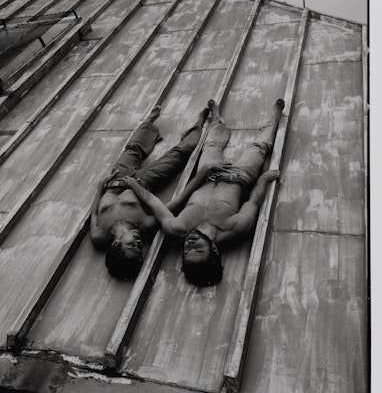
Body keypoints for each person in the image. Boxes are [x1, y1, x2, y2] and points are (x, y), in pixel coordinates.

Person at [121, 98, 284, 288]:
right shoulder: (234, 227)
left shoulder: (177, 227)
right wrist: (264, 178)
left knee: (211, 144)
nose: (190, 245)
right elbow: (254, 201)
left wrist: (133, 184)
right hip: (239, 176)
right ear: (213, 249)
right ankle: (275, 116)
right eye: (198, 249)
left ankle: (216, 118)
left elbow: (152, 201)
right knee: (260, 147)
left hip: (208, 175)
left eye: (186, 251)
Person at [90, 103, 211, 280]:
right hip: (144, 180)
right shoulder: (145, 225)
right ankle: (199, 123)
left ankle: (149, 121)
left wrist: (100, 187)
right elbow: (174, 204)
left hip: (114, 179)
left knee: (133, 148)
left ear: (117, 244)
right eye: (140, 248)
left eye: (132, 246)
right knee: (180, 154)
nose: (139, 243)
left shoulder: (99, 236)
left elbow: (94, 213)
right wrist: (200, 176)